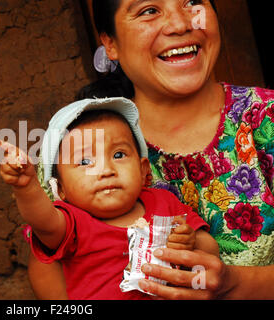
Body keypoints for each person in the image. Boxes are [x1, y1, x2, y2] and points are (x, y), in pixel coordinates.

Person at [28, 0, 274, 299]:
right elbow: (49, 270)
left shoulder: (266, 120)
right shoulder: (76, 148)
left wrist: (234, 284)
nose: (180, 24)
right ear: (110, 43)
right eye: (149, 10)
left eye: (193, 2)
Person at [0, 98, 218, 299]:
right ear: (60, 190)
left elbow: (212, 251)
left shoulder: (164, 202)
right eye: (84, 162)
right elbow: (42, 221)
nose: (106, 169)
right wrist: (27, 187)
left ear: (143, 170)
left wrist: (192, 243)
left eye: (118, 155)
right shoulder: (73, 223)